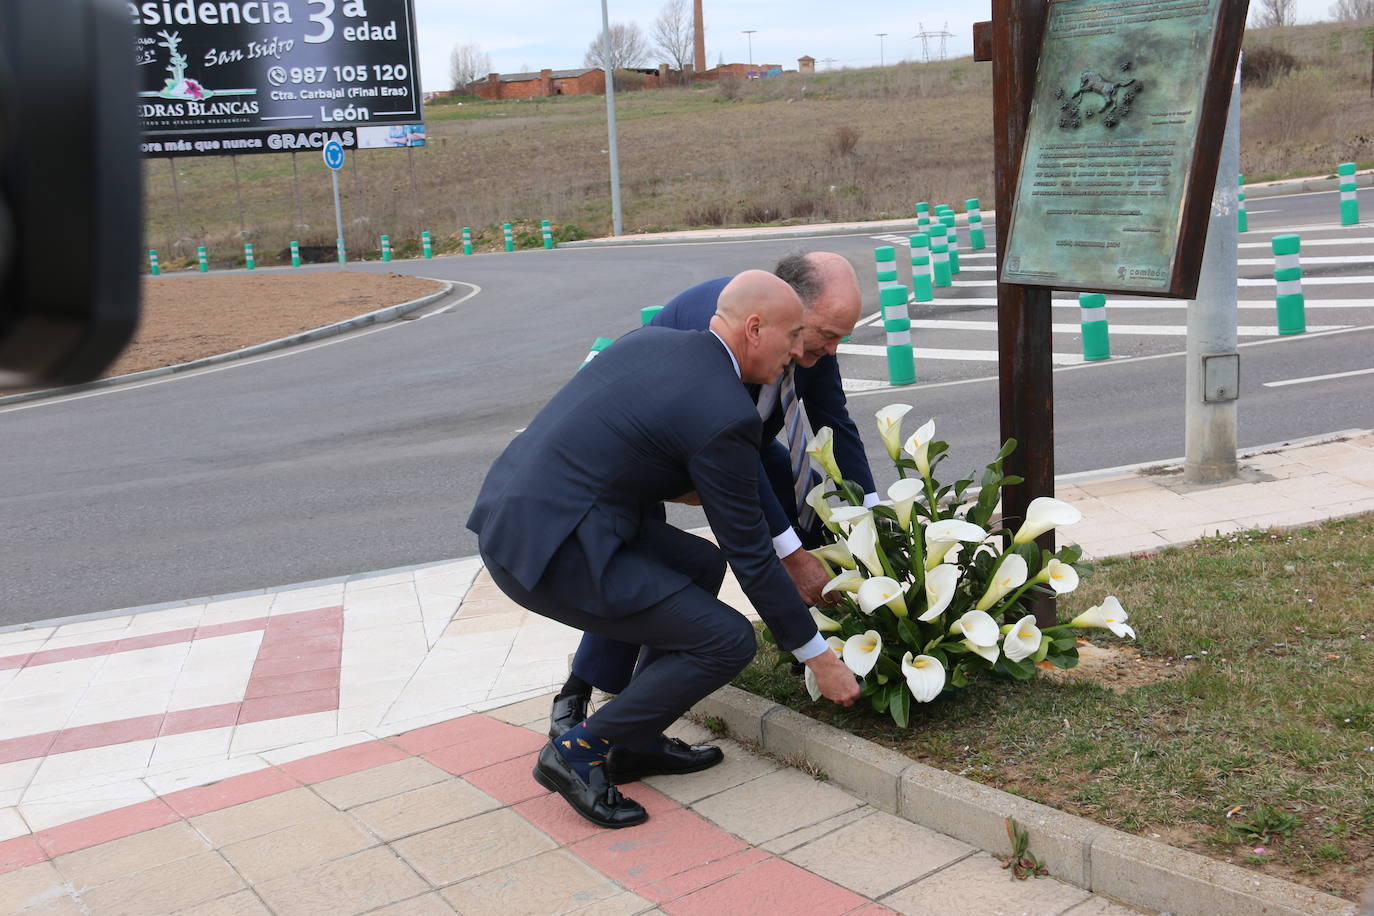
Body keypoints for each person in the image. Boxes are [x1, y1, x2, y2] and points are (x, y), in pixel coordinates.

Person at [468, 271, 860, 828]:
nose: (799, 351)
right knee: (727, 641)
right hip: (549, 547)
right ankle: (577, 752)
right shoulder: (724, 410)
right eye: (793, 334)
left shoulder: (654, 342)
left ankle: (636, 742)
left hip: (534, 514)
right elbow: (753, 555)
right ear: (754, 329)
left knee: (699, 563)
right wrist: (818, 658)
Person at [551, 251, 880, 737]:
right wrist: (790, 556)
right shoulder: (718, 326)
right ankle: (580, 689)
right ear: (785, 315)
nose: (832, 350)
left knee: (794, 502)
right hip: (643, 450)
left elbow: (835, 420)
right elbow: (733, 461)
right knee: (639, 566)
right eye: (827, 335)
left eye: (840, 338)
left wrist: (874, 517)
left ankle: (810, 640)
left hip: (746, 438)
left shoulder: (815, 340)